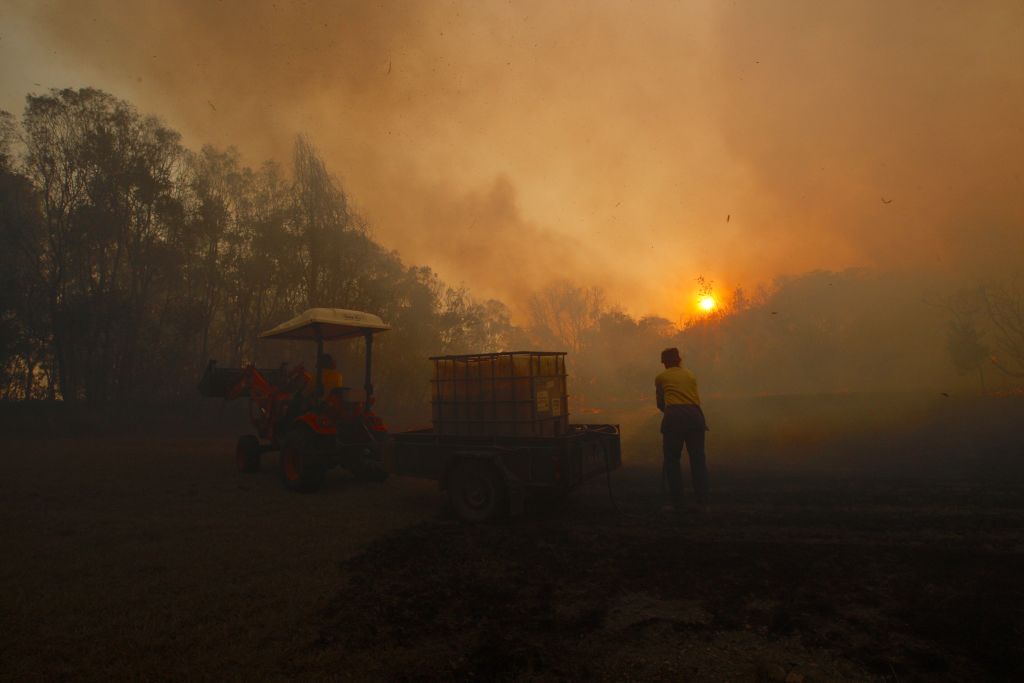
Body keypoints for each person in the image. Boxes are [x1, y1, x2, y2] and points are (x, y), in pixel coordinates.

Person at [655, 347, 709, 512]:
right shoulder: (690, 375)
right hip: (696, 417)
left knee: (672, 461)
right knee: (698, 460)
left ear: (664, 362)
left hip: (674, 419)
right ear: (679, 360)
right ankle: (702, 501)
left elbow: (660, 403)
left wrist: (671, 411)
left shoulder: (661, 377)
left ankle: (678, 503)